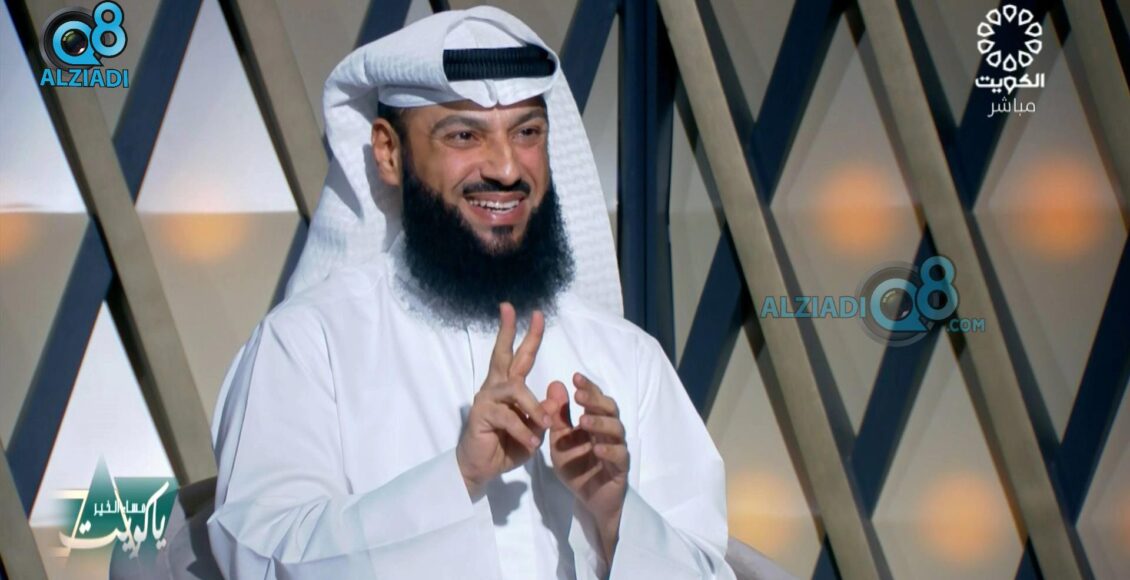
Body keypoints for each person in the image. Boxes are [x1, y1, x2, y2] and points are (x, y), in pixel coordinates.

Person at [207, 6, 734, 579]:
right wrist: (457, 477)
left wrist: (615, 515)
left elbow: (710, 571)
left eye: (527, 133)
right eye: (464, 135)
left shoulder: (627, 357)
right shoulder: (307, 345)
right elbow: (256, 558)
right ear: (388, 152)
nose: (506, 168)